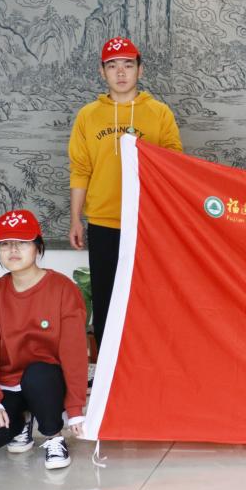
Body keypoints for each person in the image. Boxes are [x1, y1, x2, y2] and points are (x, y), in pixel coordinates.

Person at [68, 37, 182, 368]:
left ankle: (148, 366)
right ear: (102, 71)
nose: (121, 73)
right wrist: (76, 219)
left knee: (149, 297)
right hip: (103, 222)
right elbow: (80, 169)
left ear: (140, 70)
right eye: (113, 66)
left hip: (148, 223)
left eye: (128, 65)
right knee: (106, 299)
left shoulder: (159, 114)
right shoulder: (88, 116)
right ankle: (109, 371)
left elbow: (175, 165)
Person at [0, 209, 88, 469]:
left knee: (38, 374)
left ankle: (53, 435)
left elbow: (74, 353)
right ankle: (22, 418)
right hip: (9, 383)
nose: (13, 250)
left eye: (22, 242)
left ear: (37, 247)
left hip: (48, 381)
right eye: (5, 244)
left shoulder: (63, 289)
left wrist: (75, 408)